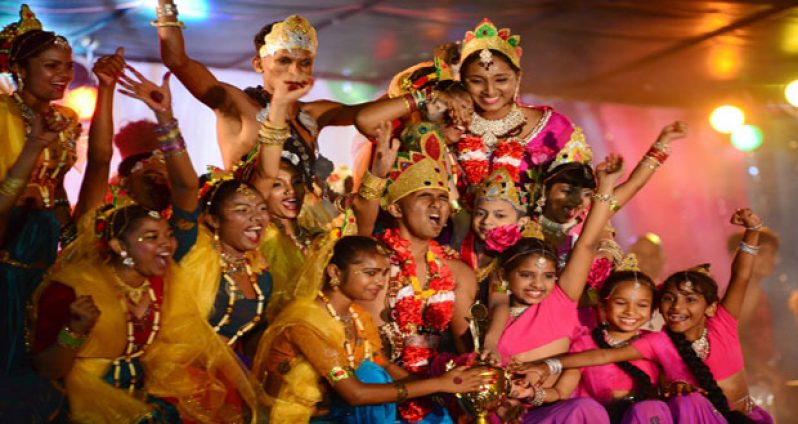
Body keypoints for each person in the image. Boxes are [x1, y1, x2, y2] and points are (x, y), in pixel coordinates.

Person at [511, 208, 774, 423]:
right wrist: (548, 366)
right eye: (669, 299)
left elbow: (741, 276)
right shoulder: (658, 342)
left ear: (711, 307)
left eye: (690, 300)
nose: (677, 307)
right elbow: (602, 355)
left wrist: (752, 233)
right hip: (668, 415)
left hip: (741, 418)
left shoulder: (721, 325)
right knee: (678, 404)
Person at [113, 63, 275, 360]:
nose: (257, 217)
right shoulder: (187, 246)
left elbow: (251, 341)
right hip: (170, 372)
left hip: (224, 380)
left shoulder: (261, 274)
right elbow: (187, 188)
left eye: (261, 209)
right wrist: (164, 117)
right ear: (212, 219)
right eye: (242, 210)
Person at [251, 234, 489, 423]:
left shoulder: (356, 315)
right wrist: (439, 384)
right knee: (369, 377)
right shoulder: (308, 322)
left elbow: (382, 364)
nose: (380, 282)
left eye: (384, 273)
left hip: (335, 410)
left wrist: (440, 390)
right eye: (370, 273)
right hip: (300, 417)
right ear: (335, 272)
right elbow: (356, 394)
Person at [354, 121, 478, 422]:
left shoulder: (458, 273)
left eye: (441, 197)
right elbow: (367, 353)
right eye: (424, 196)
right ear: (396, 209)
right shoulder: (373, 264)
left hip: (434, 395)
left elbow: (465, 344)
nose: (437, 204)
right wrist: (423, 387)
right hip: (374, 392)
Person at [569, 257, 673, 423]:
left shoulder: (657, 343)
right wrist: (533, 392)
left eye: (642, 305)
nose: (630, 311)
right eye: (620, 302)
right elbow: (562, 392)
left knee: (649, 408)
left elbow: (668, 387)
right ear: (603, 305)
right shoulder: (585, 344)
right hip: (597, 419)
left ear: (653, 310)